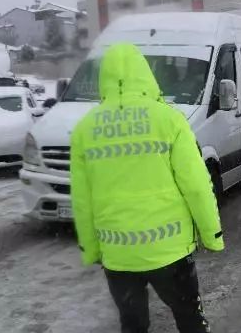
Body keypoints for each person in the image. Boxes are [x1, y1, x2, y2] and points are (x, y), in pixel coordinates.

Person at [70, 43, 224, 333]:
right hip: (169, 252)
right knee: (190, 319)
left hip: (118, 253)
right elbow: (196, 185)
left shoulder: (84, 129)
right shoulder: (169, 119)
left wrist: (91, 248)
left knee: (133, 324)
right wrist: (211, 234)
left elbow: (82, 200)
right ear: (146, 76)